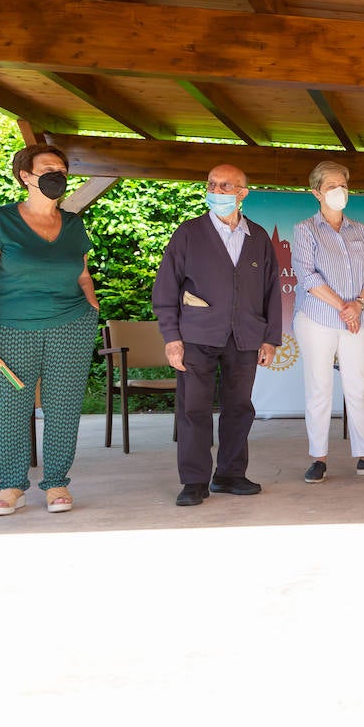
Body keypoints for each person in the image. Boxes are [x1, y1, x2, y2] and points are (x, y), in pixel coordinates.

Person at [0, 144, 99, 516]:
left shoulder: (73, 224)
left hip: (71, 325)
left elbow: (82, 273)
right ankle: (12, 487)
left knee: (64, 405)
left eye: (61, 168)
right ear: (26, 176)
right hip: (12, 328)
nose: (56, 174)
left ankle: (57, 483)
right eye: (47, 168)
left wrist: (91, 303)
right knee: (12, 406)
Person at [153, 163, 280, 507]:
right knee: (193, 410)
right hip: (196, 335)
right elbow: (165, 287)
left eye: (226, 185)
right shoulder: (189, 233)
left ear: (242, 193)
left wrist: (270, 338)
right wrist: (171, 337)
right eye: (212, 184)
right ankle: (194, 481)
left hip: (246, 337)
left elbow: (272, 291)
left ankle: (230, 475)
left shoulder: (258, 237)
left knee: (239, 408)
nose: (217, 191)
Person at [291, 161, 364, 483]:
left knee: (358, 385)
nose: (339, 192)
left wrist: (358, 304)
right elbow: (307, 276)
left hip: (358, 317)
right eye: (331, 187)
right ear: (316, 193)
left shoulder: (361, 230)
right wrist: (344, 305)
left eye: (343, 186)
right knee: (319, 388)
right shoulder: (304, 230)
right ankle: (318, 458)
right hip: (317, 318)